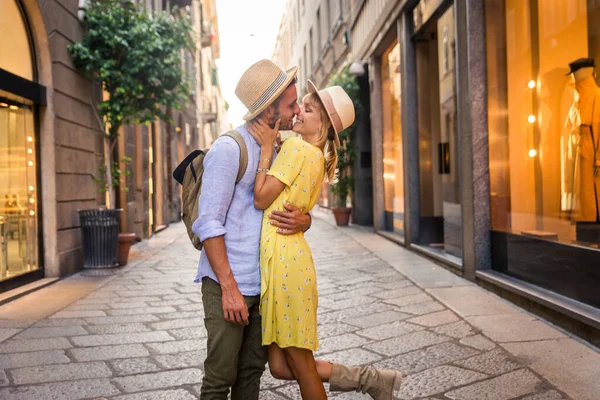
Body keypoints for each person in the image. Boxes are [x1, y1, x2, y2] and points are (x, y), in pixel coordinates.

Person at [248, 79, 403, 400]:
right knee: (279, 366)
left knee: (302, 367)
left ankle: (371, 380)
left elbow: (261, 198)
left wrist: (265, 150)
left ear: (324, 123)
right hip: (287, 261)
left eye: (307, 109)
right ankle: (370, 379)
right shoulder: (314, 154)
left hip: (286, 266)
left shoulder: (295, 148)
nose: (298, 113)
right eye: (300, 106)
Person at [193, 59, 311, 399]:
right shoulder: (229, 149)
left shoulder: (280, 149)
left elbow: (291, 205)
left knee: (250, 376)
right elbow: (209, 226)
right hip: (228, 285)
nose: (297, 109)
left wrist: (305, 220)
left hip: (266, 286)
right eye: (290, 104)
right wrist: (229, 289)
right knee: (219, 378)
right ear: (268, 109)